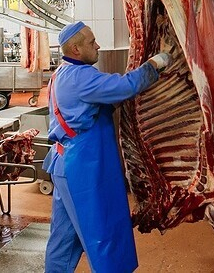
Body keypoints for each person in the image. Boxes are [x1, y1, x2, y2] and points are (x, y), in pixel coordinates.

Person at [43, 21, 171, 273]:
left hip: (63, 164)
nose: (98, 46)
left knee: (64, 238)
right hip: (83, 168)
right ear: (76, 49)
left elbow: (87, 110)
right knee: (103, 232)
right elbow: (126, 86)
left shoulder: (62, 73)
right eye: (92, 42)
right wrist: (154, 64)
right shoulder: (80, 77)